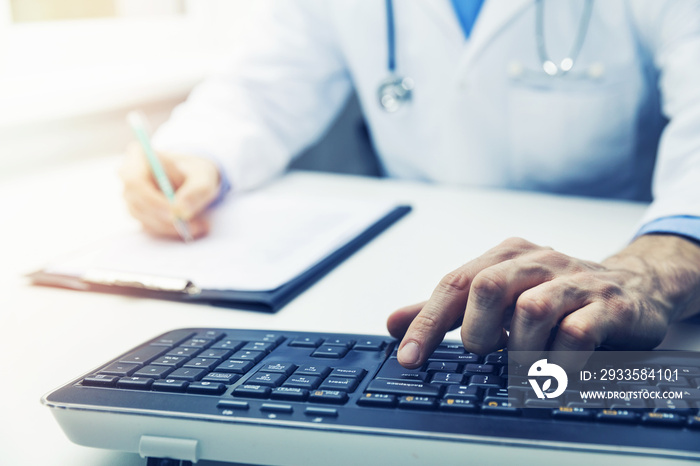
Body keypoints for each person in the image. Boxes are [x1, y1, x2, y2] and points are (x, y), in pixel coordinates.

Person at [119, 0, 700, 369]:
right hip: (409, 274)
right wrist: (196, 155)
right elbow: (259, 87)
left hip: (588, 275)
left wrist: (656, 264)